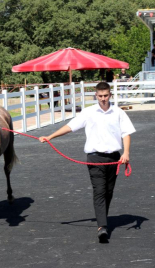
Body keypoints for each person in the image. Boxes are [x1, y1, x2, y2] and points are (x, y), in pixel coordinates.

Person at [38, 82, 136, 243]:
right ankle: (102, 227)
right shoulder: (88, 112)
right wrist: (50, 137)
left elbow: (126, 133)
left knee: (108, 192)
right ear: (96, 96)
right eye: (100, 96)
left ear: (110, 95)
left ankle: (102, 218)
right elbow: (70, 127)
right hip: (94, 158)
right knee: (99, 190)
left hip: (114, 158)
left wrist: (126, 153)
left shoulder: (118, 113)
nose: (103, 99)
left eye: (106, 96)